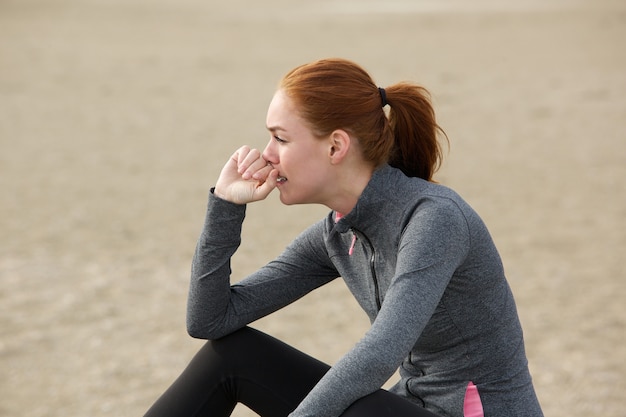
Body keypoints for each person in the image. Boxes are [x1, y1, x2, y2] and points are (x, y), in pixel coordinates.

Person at [144, 58, 544, 417]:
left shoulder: (434, 220)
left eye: (280, 138)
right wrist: (226, 207)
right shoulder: (338, 234)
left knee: (358, 403)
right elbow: (210, 320)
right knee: (231, 355)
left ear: (336, 146)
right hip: (404, 406)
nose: (266, 154)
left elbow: (377, 357)